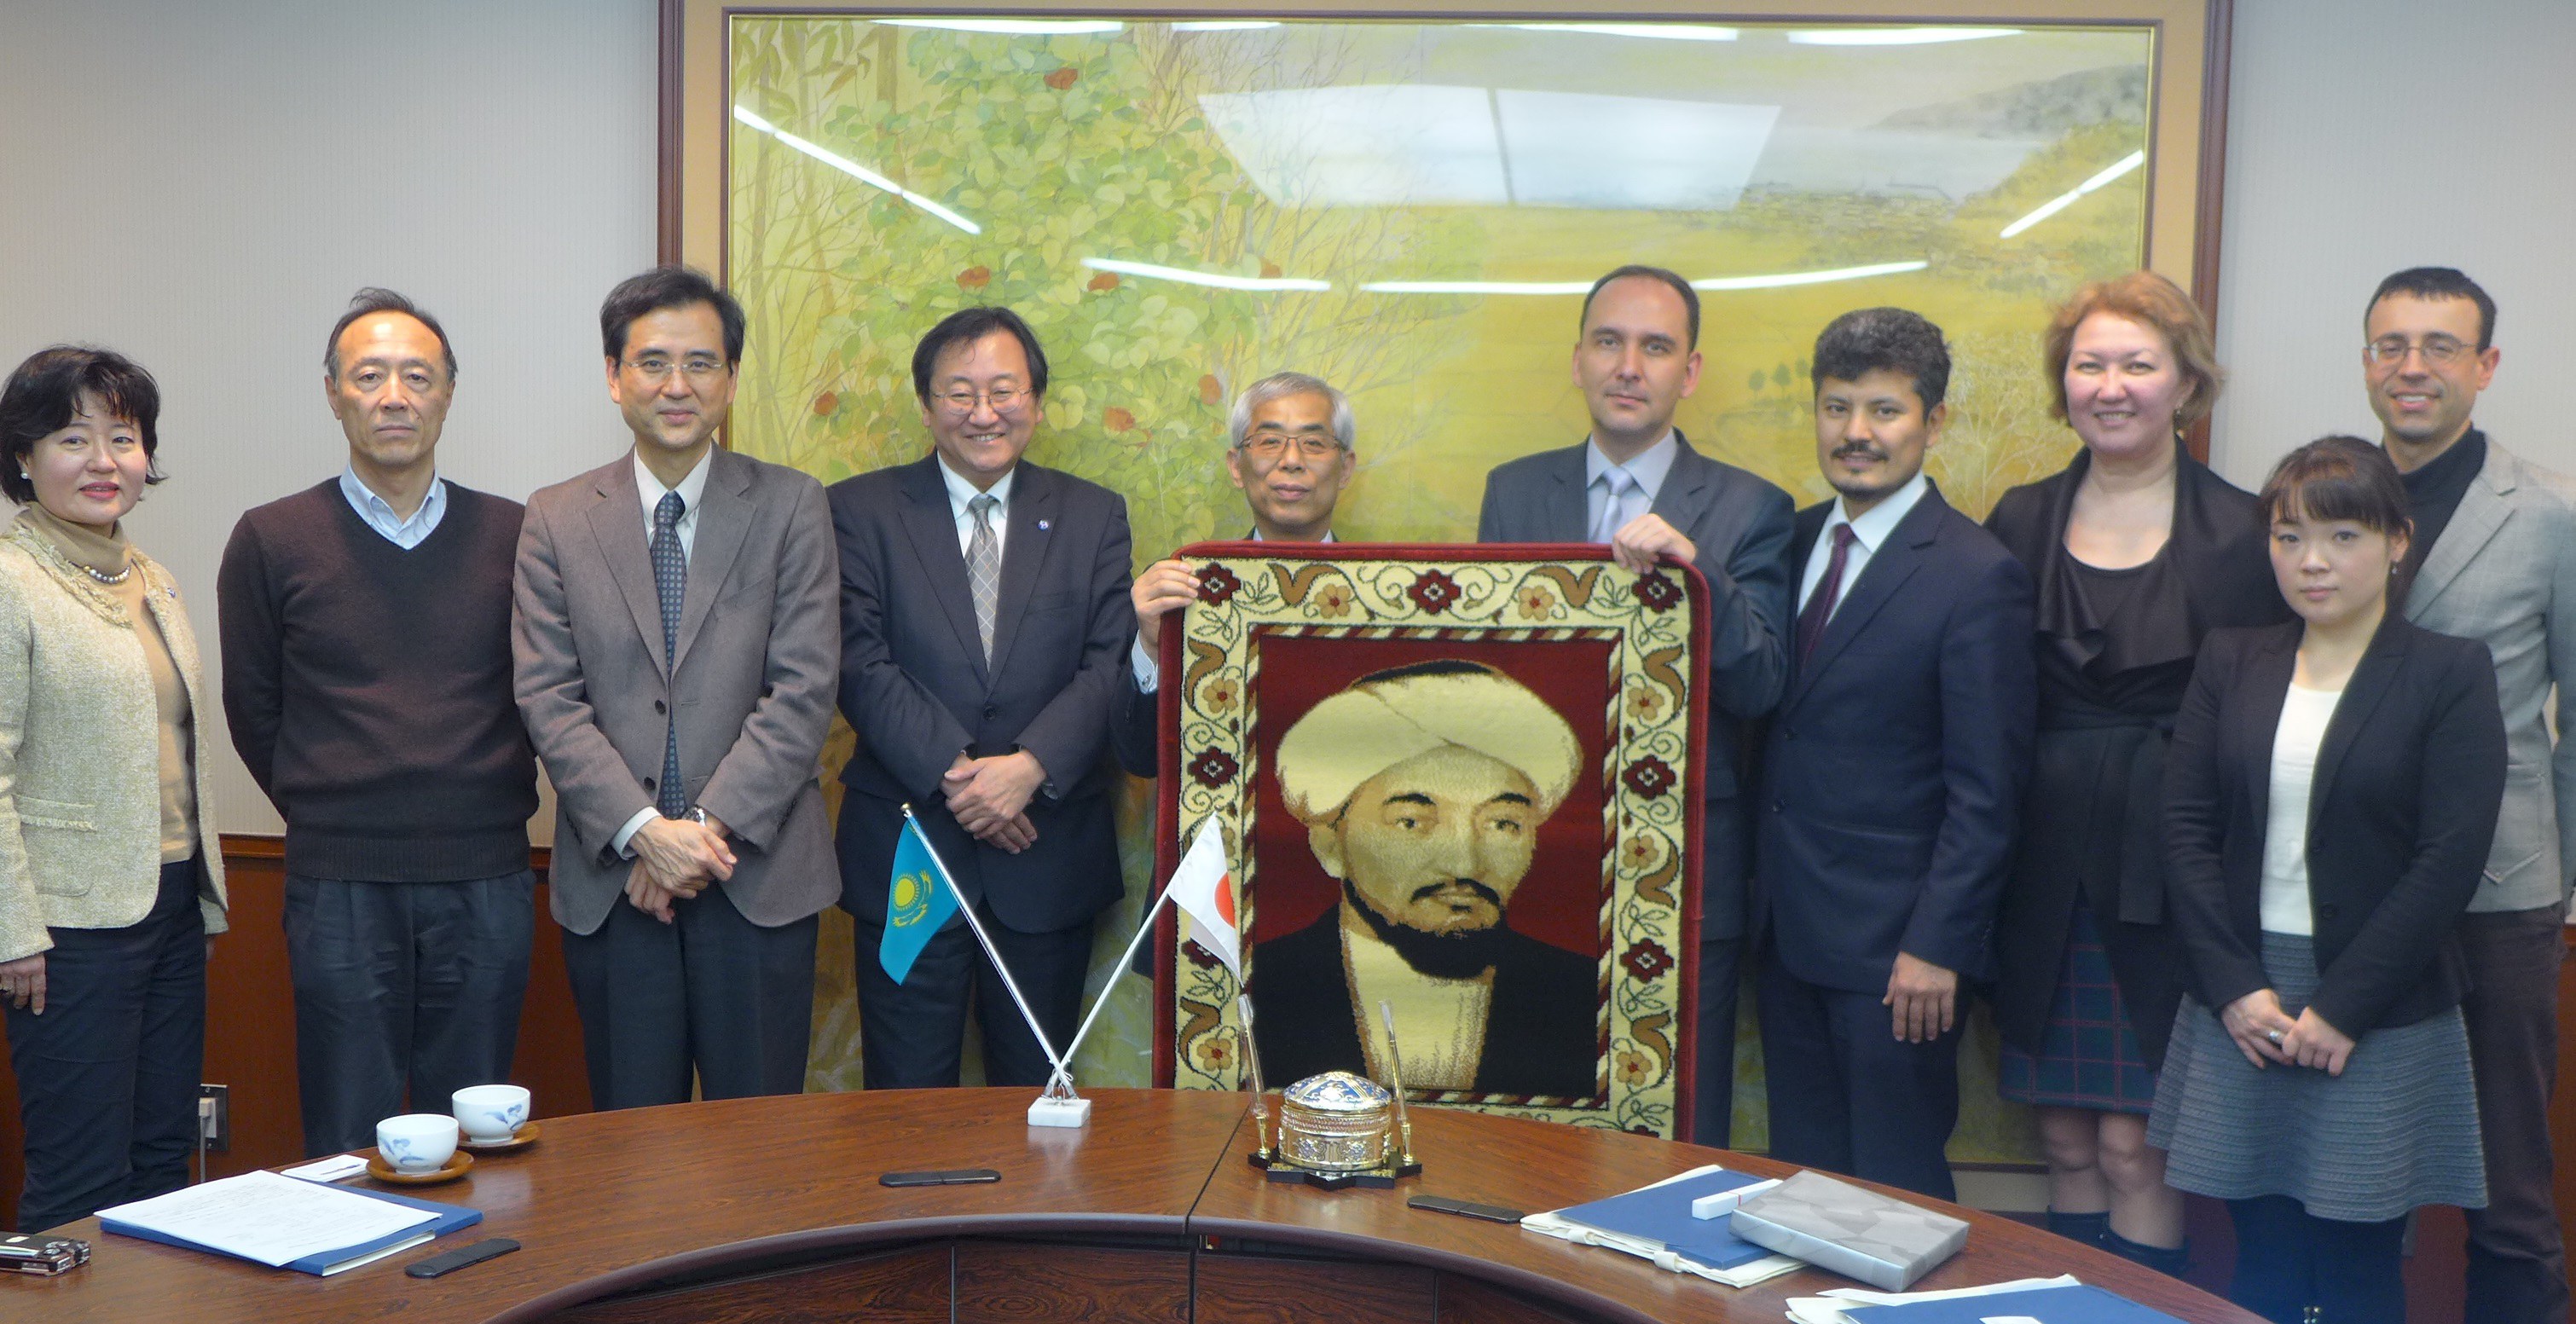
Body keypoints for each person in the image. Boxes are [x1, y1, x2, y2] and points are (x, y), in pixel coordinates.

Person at [2153, 436, 2503, 1324]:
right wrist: (2233, 987)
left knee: (2357, 1265)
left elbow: (2449, 857)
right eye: (2289, 536)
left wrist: (2344, 1006)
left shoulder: (2449, 671)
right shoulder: (2232, 658)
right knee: (2260, 1256)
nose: (2312, 560)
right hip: (2245, 994)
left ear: (2396, 540)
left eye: (2343, 535)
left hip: (2378, 1000)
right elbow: (2185, 826)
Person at [1983, 271, 2289, 1273]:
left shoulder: (2246, 532)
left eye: (2137, 364)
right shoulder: (2019, 518)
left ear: (2187, 384)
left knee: (2135, 1144)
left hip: (2172, 864)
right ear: (2064, 383)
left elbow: (2263, 721)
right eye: (2089, 365)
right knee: (2065, 1139)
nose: (2110, 387)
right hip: (2040, 863)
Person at [1476, 264, 1793, 1147]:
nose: (1628, 366)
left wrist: (1698, 573)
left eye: (1655, 347)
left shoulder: (1751, 507)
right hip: (1535, 861)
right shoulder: (1514, 490)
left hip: (1682, 872)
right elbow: (1486, 674)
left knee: (1680, 1124)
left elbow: (1763, 683)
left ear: (1688, 372)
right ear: (1578, 358)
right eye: (1609, 342)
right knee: (1532, 1116)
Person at [218, 289, 540, 1157]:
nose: (394, 396)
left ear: (448, 393)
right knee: (347, 1132)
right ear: (333, 393)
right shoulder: (271, 538)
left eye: (416, 376)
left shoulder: (515, 534)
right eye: (369, 376)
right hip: (339, 883)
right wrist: (334, 805)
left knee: (477, 1130)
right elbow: (253, 707)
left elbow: (547, 691)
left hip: (485, 874)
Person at [512, 267, 839, 1109]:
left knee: (759, 1146)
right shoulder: (555, 517)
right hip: (616, 885)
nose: (677, 385)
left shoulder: (792, 505)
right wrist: (643, 831)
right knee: (633, 1146)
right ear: (614, 375)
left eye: (700, 363)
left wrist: (695, 834)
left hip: (757, 876)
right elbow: (548, 695)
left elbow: (804, 687)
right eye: (652, 362)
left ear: (730, 378)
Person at [1752, 307, 2035, 1201]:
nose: (1856, 433)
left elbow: (1988, 791)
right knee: (1802, 1184)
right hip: (1785, 934)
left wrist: (1937, 947)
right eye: (1837, 408)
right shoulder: (1791, 540)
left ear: (1933, 421)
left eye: (1884, 410)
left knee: (1892, 1193)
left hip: (1897, 959)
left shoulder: (1975, 573)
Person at [831, 306, 1135, 1089]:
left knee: (1037, 1095)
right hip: (910, 847)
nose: (983, 412)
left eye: (1004, 390)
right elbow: (857, 659)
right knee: (905, 1100)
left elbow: (1109, 660)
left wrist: (1028, 768)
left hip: (1046, 852)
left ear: (1036, 399)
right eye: (959, 392)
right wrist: (962, 777)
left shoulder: (1093, 514)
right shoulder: (858, 510)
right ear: (925, 403)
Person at [2358, 267, 2572, 1324]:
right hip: (2353, 887)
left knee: (2509, 1190)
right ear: (2367, 362)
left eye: (2440, 346)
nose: (2413, 366)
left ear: (2485, 366)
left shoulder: (2549, 513)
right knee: (2357, 1179)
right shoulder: (2325, 498)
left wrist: (2563, 881)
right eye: (2391, 345)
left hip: (2500, 891)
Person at [0, 347, 227, 1231]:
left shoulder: (150, 577)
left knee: (162, 1161)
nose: (104, 459)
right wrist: (12, 929)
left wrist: (199, 896)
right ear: (24, 456)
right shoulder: (11, 580)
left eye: (123, 437)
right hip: (64, 931)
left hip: (169, 905)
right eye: (73, 437)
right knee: (79, 1177)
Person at [1253, 661, 1595, 1096]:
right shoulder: (1256, 985)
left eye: (1502, 824)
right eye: (1412, 822)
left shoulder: (1585, 996)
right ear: (1330, 844)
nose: (1464, 863)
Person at [1119, 370, 1356, 778]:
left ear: (1346, 468)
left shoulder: (1390, 592)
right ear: (1236, 466)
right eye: (1270, 441)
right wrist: (1153, 646)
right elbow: (1140, 759)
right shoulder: (1186, 589)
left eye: (1314, 443)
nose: (1291, 460)